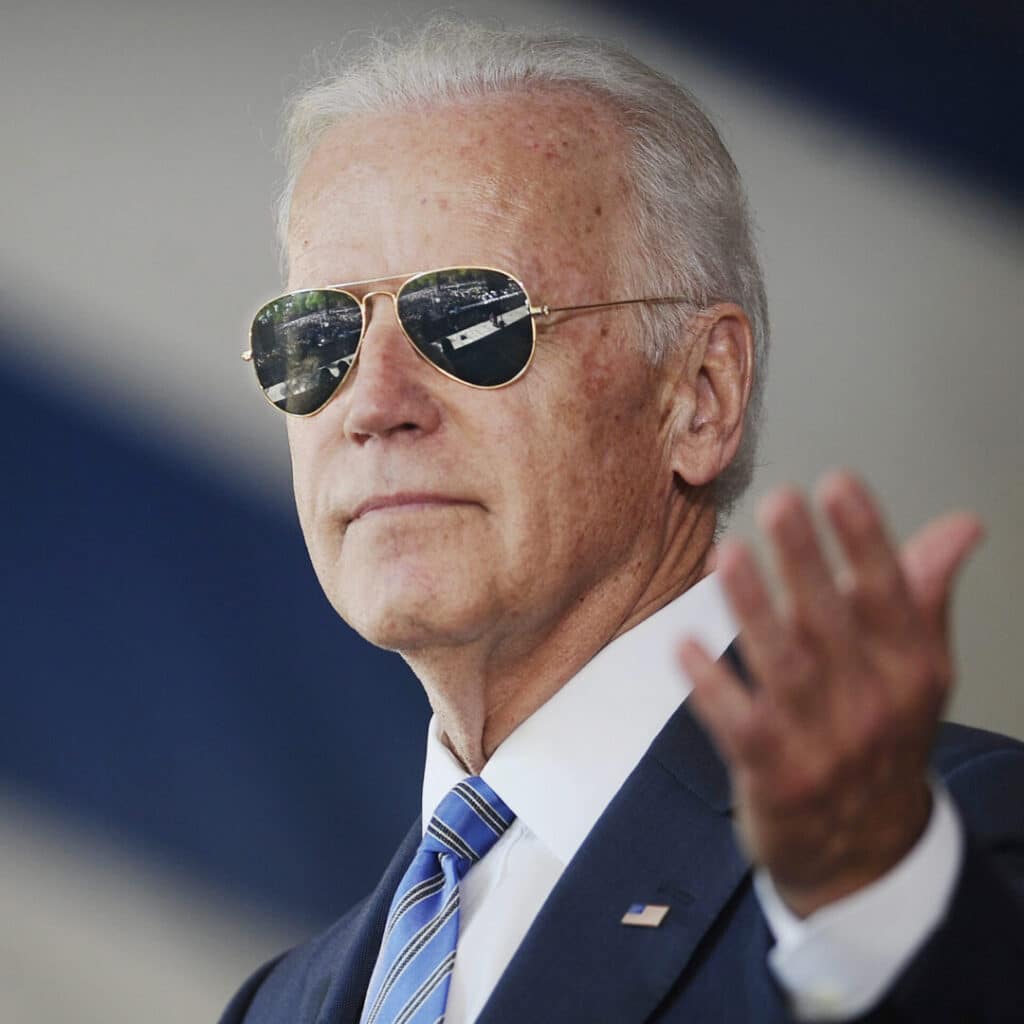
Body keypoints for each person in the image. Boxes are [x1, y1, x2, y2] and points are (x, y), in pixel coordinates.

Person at [223, 19, 1024, 1023]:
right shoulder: (278, 1005)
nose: (374, 402)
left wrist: (871, 910)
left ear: (698, 393)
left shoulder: (927, 851)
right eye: (319, 336)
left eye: (469, 321)